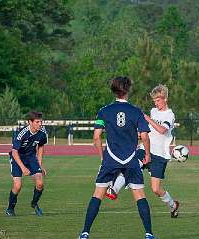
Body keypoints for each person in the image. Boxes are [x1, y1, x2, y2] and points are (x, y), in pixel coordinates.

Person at [77, 76, 155, 239]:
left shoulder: (103, 111)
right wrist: (147, 154)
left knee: (98, 193)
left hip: (110, 159)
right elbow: (145, 137)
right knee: (139, 195)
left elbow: (96, 137)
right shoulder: (136, 112)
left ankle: (85, 232)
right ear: (128, 90)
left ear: (113, 90)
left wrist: (102, 157)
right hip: (131, 159)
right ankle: (149, 234)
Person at [105, 84, 180, 218]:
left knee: (156, 189)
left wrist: (147, 118)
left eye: (158, 100)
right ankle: (114, 189)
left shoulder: (170, 115)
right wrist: (139, 135)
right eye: (154, 101)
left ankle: (173, 205)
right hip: (146, 148)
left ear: (165, 99)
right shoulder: (153, 111)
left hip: (160, 154)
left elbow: (162, 130)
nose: (156, 104)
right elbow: (149, 131)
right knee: (131, 165)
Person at [5, 111, 47, 217]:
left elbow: (41, 146)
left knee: (40, 183)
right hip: (17, 158)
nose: (40, 124)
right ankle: (10, 208)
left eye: (41, 122)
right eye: (37, 122)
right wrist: (23, 168)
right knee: (17, 186)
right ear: (30, 122)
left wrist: (40, 164)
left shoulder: (42, 133)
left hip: (31, 157)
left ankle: (34, 204)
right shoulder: (22, 133)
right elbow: (14, 152)